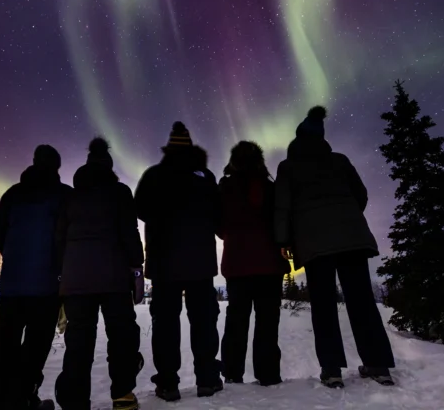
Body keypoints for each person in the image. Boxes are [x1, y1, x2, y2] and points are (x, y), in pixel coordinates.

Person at [275, 106, 396, 388]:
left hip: (315, 243)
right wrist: (348, 218)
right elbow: (361, 195)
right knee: (362, 301)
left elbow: (282, 206)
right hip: (352, 239)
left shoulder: (288, 167)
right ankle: (378, 365)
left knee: (323, 305)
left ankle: (331, 370)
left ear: (297, 139)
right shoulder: (340, 161)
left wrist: (283, 240)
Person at [54, 138, 145, 410]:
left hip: (76, 280)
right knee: (122, 335)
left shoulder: (70, 197)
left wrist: (63, 272)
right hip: (114, 278)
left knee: (79, 340)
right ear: (109, 167)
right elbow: (130, 232)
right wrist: (137, 266)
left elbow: (59, 239)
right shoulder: (120, 192)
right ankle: (123, 396)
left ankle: (75, 402)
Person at [135, 122, 223, 401]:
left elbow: (140, 209)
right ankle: (207, 379)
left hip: (164, 263)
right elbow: (218, 215)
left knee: (165, 323)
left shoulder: (154, 175)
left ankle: (168, 383)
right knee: (204, 321)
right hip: (200, 262)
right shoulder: (205, 177)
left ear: (168, 149)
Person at [0, 145, 72, 410]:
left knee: (3, 346)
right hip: (48, 286)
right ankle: (22, 400)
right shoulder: (64, 196)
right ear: (57, 166)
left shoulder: (13, 194)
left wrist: (14, 256)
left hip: (13, 287)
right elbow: (69, 236)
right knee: (36, 346)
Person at [218, 141, 290, 386]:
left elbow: (218, 224)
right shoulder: (271, 188)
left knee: (236, 320)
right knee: (268, 321)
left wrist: (231, 235)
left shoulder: (225, 188)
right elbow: (282, 219)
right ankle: (268, 374)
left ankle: (232, 373)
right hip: (270, 265)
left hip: (237, 264)